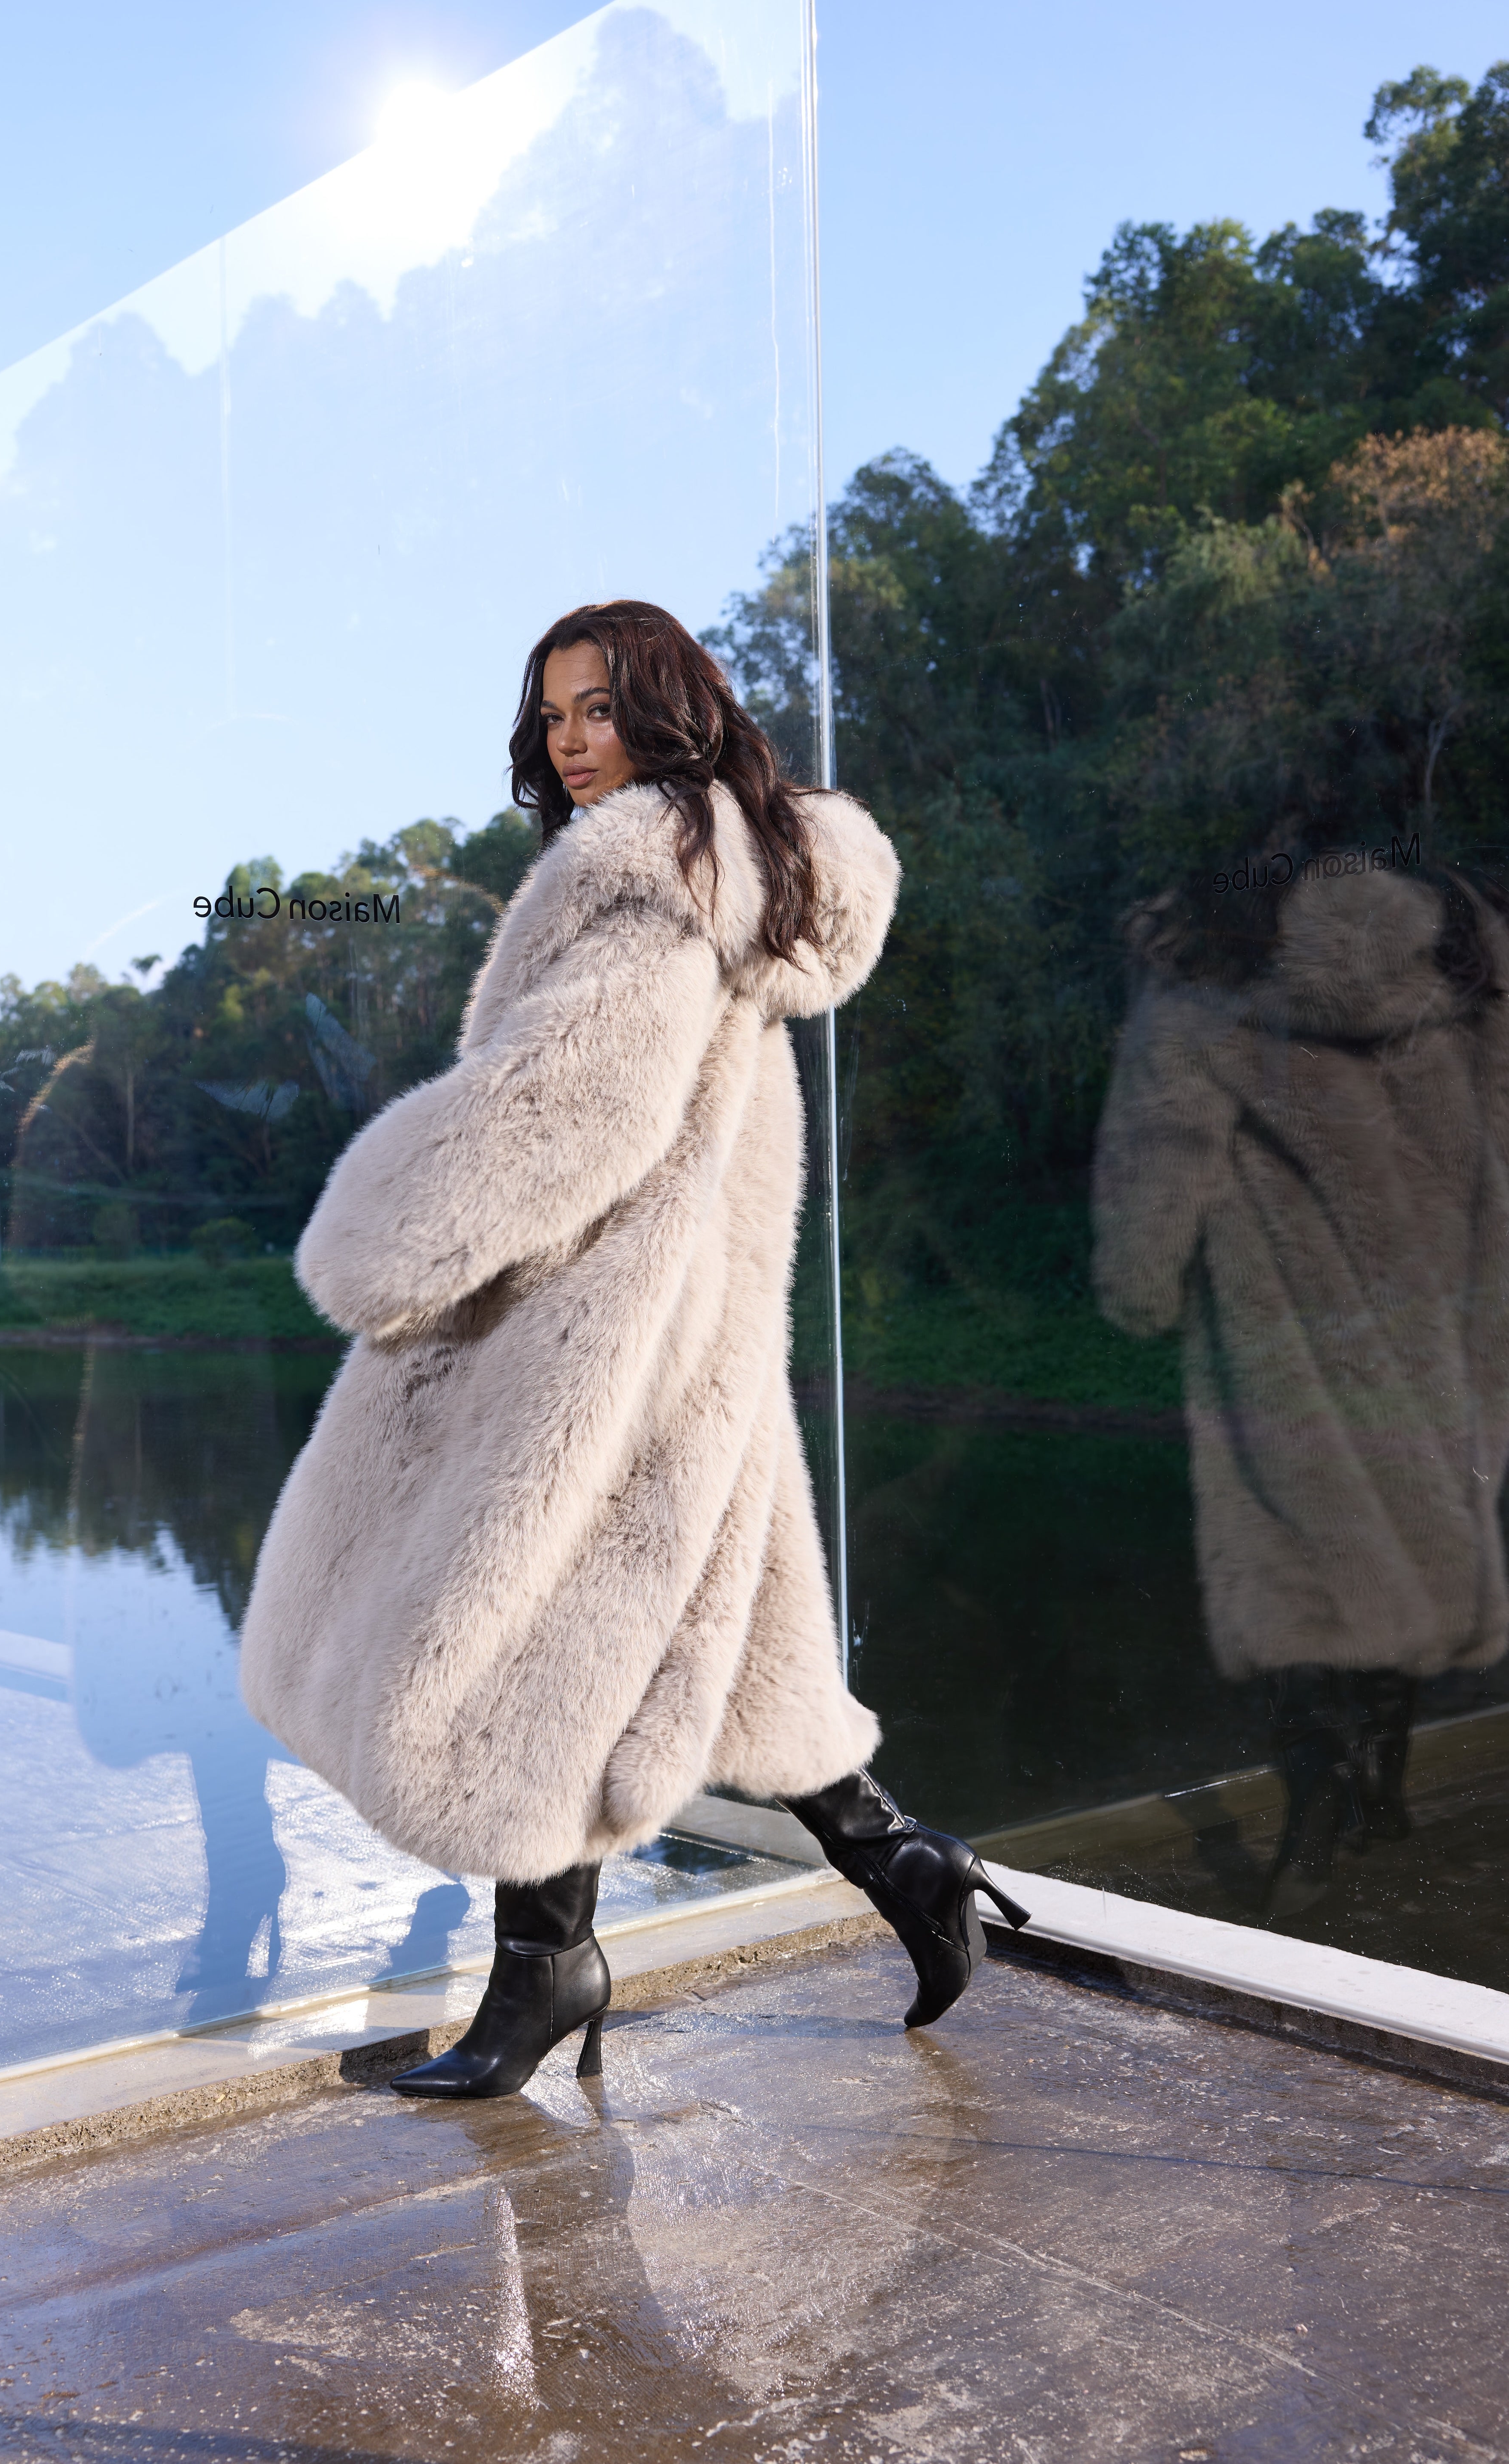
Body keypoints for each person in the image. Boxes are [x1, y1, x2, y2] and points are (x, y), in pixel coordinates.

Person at [240, 599, 1028, 2097]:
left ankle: (545, 1979)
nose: (568, 740)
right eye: (551, 715)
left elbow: (563, 1109)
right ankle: (889, 1861)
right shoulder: (746, 868)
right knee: (696, 1645)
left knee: (529, 1644)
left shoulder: (646, 878)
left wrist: (378, 1242)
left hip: (592, 1332)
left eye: (596, 707)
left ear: (667, 708)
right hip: (688, 1324)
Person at [1091, 848, 1509, 1911]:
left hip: (1284, 1344)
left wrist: (1137, 1287)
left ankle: (1314, 1823)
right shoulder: (1463, 997)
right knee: (1412, 1559)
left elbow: (1161, 1146)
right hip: (1438, 1338)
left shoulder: (1216, 1007)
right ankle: (1389, 1784)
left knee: (1296, 1574)